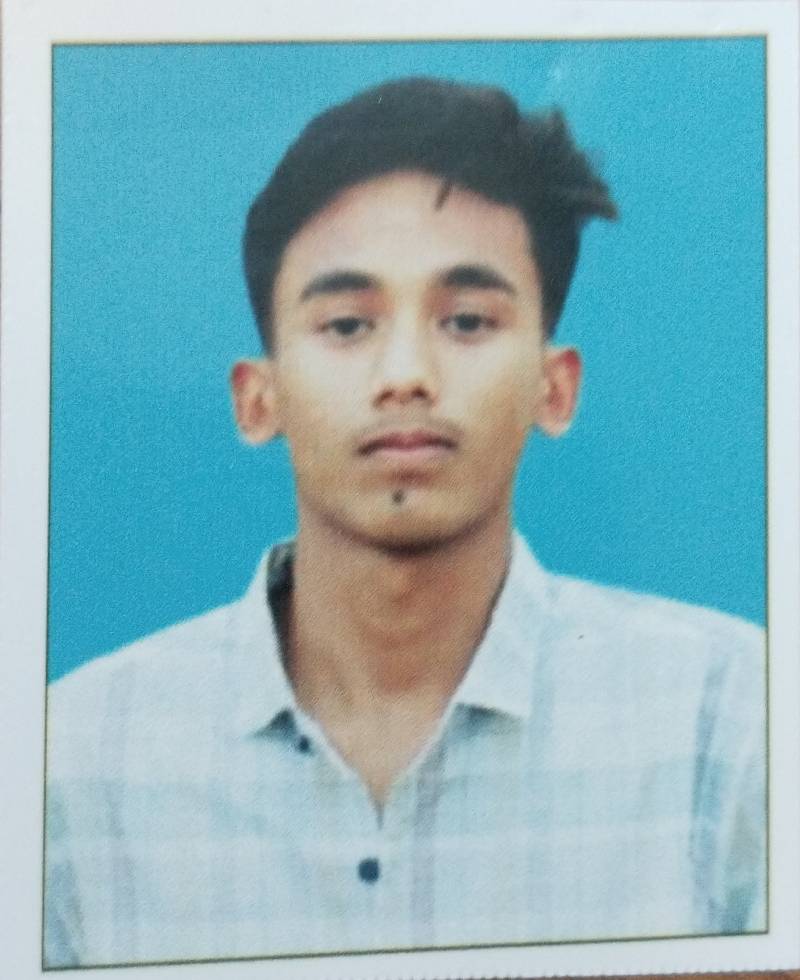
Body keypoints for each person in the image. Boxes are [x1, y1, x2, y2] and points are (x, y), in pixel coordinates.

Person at [44, 77, 766, 968]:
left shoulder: (736, 724)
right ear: (258, 397)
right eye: (348, 324)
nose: (405, 375)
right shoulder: (74, 760)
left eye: (466, 320)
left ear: (555, 386)